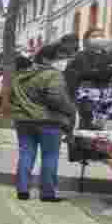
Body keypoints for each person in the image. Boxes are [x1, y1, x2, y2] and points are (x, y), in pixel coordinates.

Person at [10, 47, 75, 203]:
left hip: (24, 120)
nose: (61, 61)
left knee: (26, 153)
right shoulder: (53, 75)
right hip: (49, 121)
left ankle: (23, 190)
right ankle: (47, 193)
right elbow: (56, 98)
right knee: (49, 156)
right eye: (58, 58)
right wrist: (70, 110)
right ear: (46, 59)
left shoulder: (22, 74)